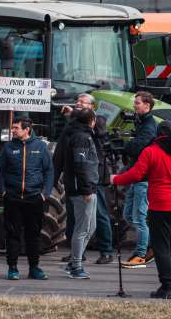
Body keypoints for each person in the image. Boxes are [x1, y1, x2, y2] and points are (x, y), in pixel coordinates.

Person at [111, 120, 171, 298]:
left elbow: (136, 174)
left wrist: (116, 179)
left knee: (162, 248)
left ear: (157, 134)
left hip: (160, 206)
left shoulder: (151, 151)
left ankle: (166, 286)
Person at [57, 93, 113, 265]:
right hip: (75, 178)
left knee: (100, 214)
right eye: (77, 101)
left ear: (92, 106)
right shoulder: (74, 124)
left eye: (83, 102)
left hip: (94, 177)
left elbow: (95, 132)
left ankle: (106, 251)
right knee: (74, 216)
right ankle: (77, 253)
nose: (78, 103)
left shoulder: (99, 120)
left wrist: (74, 113)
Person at [0, 117, 53, 281]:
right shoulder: (8, 147)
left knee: (33, 235)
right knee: (12, 235)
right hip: (13, 198)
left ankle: (34, 268)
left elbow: (49, 171)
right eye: (12, 127)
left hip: (34, 199)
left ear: (27, 129)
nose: (13, 130)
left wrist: (45, 194)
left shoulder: (41, 147)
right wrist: (4, 192)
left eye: (16, 128)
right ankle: (12, 268)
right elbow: (0, 172)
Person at [58, 108, 99, 279]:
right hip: (82, 190)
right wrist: (86, 189)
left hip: (89, 187)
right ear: (92, 120)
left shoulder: (84, 134)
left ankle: (73, 263)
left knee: (91, 228)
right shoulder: (82, 137)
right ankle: (76, 266)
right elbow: (80, 165)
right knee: (82, 229)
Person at [121, 91, 157, 267]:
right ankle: (150, 246)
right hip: (136, 176)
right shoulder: (141, 122)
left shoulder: (149, 124)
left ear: (147, 106)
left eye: (137, 103)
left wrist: (125, 146)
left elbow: (140, 144)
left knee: (140, 218)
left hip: (144, 178)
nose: (134, 106)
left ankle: (142, 254)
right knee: (128, 215)